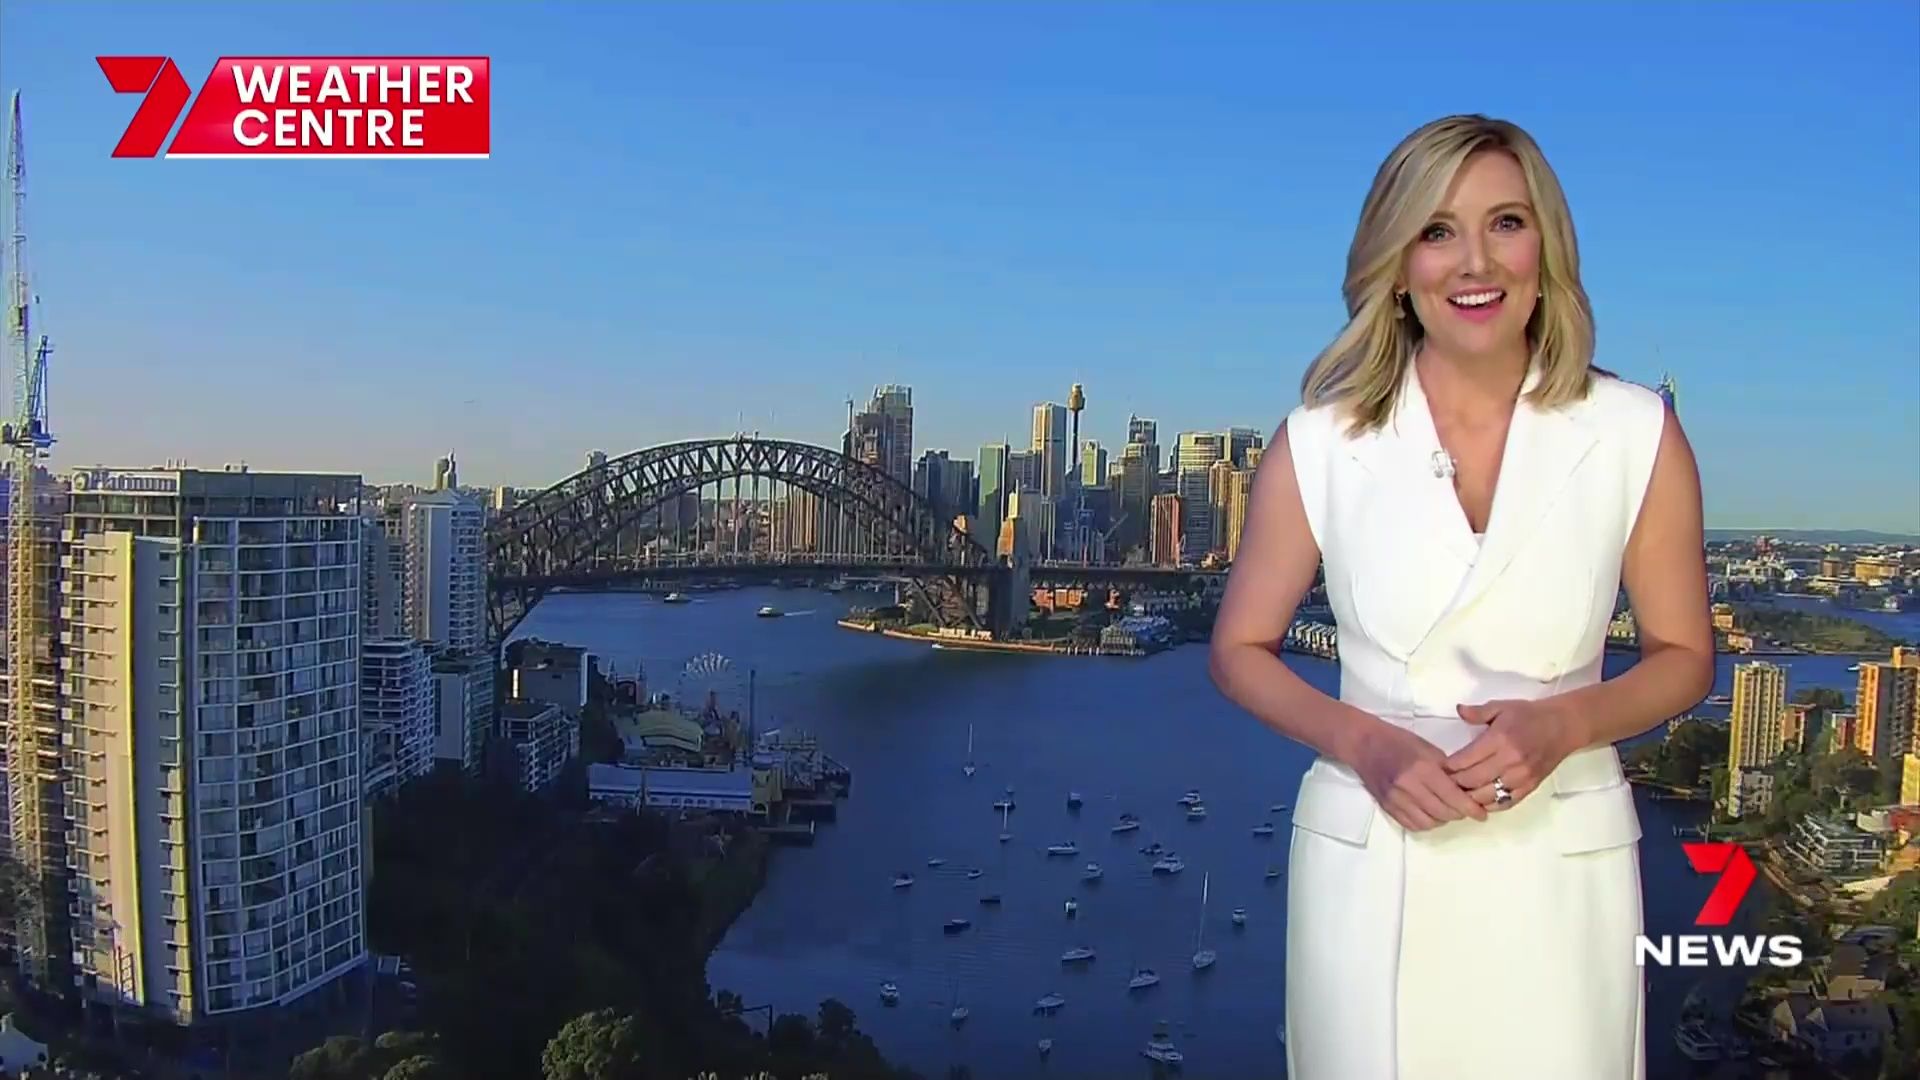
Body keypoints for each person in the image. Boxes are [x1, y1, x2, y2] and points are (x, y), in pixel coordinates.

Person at [1208, 114, 1715, 1079]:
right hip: (1374, 856)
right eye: (1437, 231)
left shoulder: (1635, 431)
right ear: (1397, 266)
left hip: (1560, 861)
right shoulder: (1319, 442)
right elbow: (1239, 650)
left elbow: (1685, 657)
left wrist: (1565, 725)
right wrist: (1365, 744)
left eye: (1506, 223)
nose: (1475, 262)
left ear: (1546, 249)